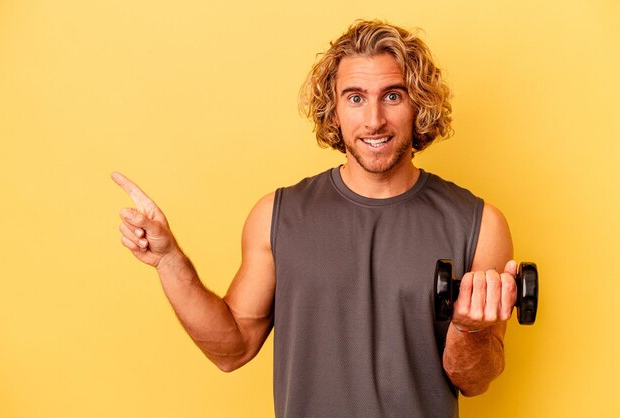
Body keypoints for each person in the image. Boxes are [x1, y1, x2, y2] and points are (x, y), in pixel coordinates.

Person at [113, 20, 517, 417]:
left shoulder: (479, 225)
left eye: (392, 96)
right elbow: (231, 350)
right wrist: (168, 260)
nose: (374, 119)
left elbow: (476, 381)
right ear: (334, 109)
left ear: (418, 104)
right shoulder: (277, 215)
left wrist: (470, 329)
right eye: (355, 98)